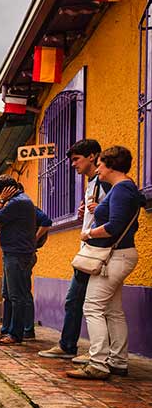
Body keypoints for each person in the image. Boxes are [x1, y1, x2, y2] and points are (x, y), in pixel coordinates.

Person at [67, 146, 144, 380]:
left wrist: (88, 234)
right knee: (113, 310)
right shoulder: (127, 188)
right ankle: (118, 361)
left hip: (115, 256)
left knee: (92, 307)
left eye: (100, 164)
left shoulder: (121, 189)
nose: (97, 168)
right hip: (120, 255)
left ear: (110, 165)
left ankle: (98, 363)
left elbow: (114, 226)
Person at [39, 139, 111, 360]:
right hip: (88, 250)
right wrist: (86, 214)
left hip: (97, 250)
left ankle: (73, 347)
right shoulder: (93, 183)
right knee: (83, 302)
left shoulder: (105, 181)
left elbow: (117, 211)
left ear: (92, 156)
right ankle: (73, 346)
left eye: (76, 159)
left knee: (79, 301)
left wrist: (97, 212)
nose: (73, 165)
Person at [0, 175, 36, 346]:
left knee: (16, 296)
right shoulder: (20, 201)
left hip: (18, 254)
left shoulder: (18, 202)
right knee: (8, 295)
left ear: (6, 190)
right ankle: (6, 330)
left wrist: (1, 201)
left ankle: (15, 334)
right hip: (12, 252)